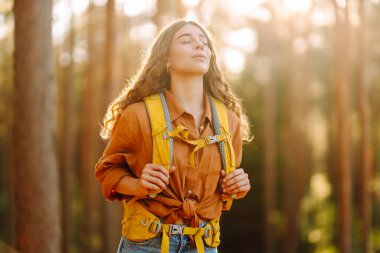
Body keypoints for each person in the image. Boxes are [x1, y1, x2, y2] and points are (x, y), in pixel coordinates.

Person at [95, 19, 253, 253]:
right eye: (186, 40)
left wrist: (237, 185)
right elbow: (108, 171)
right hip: (146, 245)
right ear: (166, 59)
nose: (199, 46)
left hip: (204, 245)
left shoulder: (229, 121)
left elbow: (225, 184)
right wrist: (139, 185)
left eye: (204, 42)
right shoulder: (137, 115)